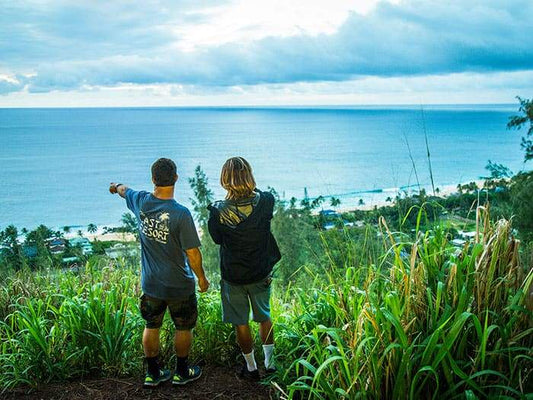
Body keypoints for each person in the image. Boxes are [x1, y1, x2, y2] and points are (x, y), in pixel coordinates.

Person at [109, 157, 210, 388]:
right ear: (175, 178)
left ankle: (153, 374)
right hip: (179, 285)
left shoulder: (142, 201)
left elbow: (125, 190)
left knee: (151, 326)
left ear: (153, 179)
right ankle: (181, 372)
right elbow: (193, 253)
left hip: (151, 284)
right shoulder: (181, 213)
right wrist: (202, 279)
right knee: (183, 327)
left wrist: (115, 187)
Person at [207, 157, 281, 380]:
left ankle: (251, 368)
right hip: (260, 271)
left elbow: (217, 239)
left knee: (241, 322)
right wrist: (246, 186)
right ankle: (270, 364)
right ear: (249, 176)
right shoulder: (266, 201)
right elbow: (258, 199)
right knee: (264, 316)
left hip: (234, 276)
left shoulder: (218, 211)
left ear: (224, 180)